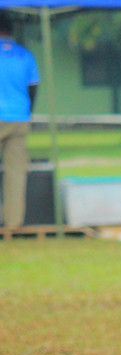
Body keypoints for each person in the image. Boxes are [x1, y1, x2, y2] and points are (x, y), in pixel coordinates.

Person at [0, 11, 39, 231]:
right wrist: (27, 112)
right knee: (15, 172)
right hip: (19, 117)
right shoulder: (25, 55)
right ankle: (13, 222)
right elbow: (33, 88)